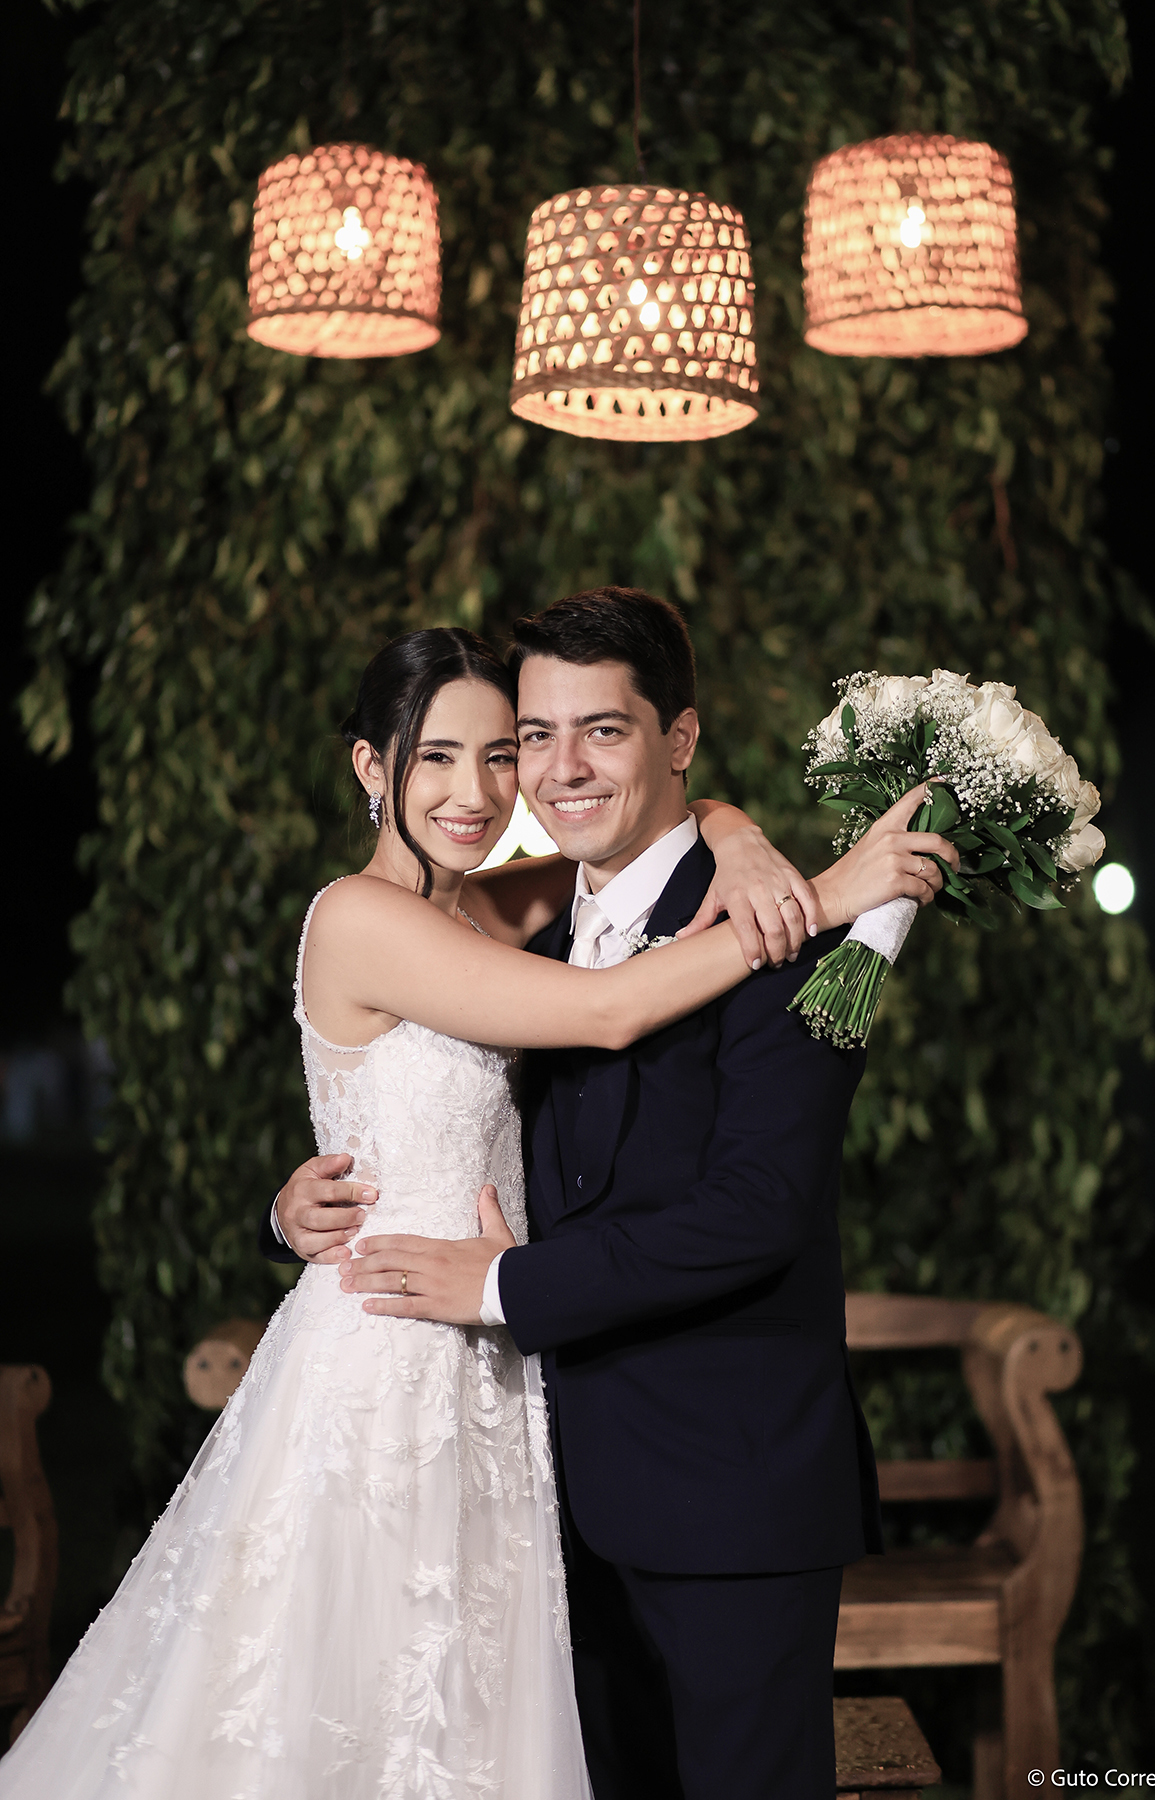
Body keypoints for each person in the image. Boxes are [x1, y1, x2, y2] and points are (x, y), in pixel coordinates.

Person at [0, 624, 839, 1800]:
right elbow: (609, 1012)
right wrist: (828, 895)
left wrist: (733, 830)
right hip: (388, 1366)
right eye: (436, 757)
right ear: (370, 765)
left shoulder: (495, 913)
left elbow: (645, 835)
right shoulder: (358, 914)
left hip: (497, 1361)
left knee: (468, 1710)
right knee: (354, 1703)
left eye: (499, 755)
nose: (476, 792)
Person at [272, 590, 959, 1800]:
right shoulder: (525, 946)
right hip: (531, 1482)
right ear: (373, 767)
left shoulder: (770, 942)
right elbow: (573, 1028)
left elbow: (756, 1212)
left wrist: (744, 844)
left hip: (726, 1494)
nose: (549, 771)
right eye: (533, 737)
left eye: (595, 731)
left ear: (678, 739)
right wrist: (290, 1211)